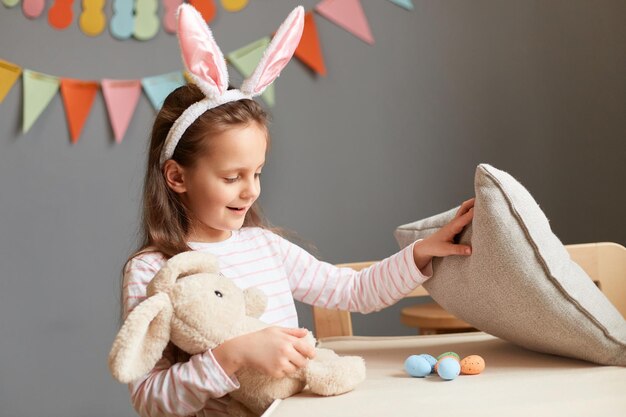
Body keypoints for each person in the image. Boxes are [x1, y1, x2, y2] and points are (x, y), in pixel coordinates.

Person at [117, 4, 475, 417]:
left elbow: (352, 291)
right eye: (232, 177)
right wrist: (232, 356)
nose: (251, 191)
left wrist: (421, 253)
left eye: (258, 173)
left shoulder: (263, 247)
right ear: (177, 177)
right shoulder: (152, 269)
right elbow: (148, 398)